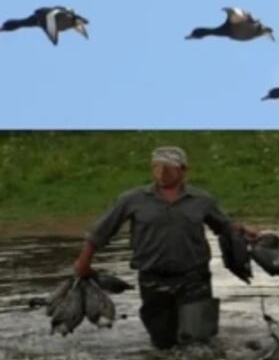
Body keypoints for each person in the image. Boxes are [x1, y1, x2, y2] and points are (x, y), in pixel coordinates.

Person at [72, 146, 259, 349]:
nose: (162, 173)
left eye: (168, 168)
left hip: (194, 278)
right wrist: (83, 263)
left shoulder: (201, 200)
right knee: (163, 344)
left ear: (183, 170)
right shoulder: (132, 199)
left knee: (199, 341)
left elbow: (224, 226)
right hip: (152, 279)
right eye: (157, 167)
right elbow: (99, 232)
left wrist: (244, 230)